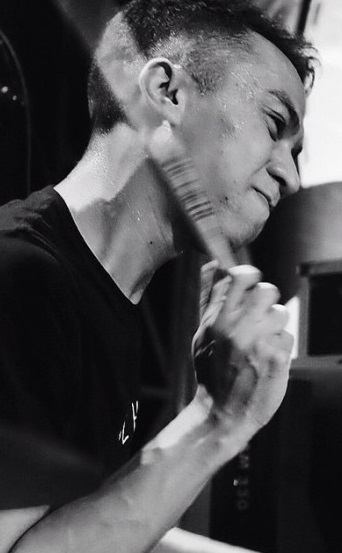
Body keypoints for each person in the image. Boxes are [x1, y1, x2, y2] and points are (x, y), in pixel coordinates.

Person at [0, 0, 316, 551]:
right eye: (273, 125)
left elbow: (71, 526)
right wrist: (217, 419)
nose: (291, 177)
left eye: (296, 151)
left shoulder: (104, 300)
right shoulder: (21, 280)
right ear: (166, 92)